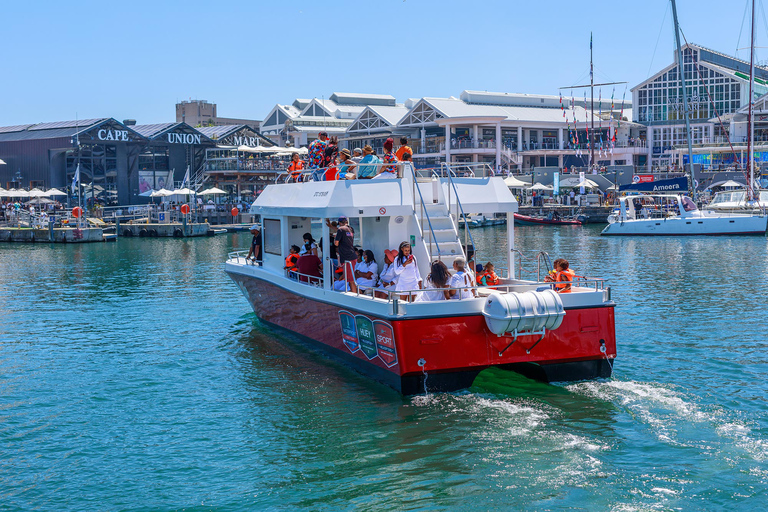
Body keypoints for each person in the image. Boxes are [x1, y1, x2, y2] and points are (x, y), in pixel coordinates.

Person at [334, 216, 358, 293]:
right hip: (351, 255)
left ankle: (354, 295)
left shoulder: (340, 229)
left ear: (340, 223)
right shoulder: (351, 229)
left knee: (350, 280)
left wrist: (335, 238)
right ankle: (353, 293)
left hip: (347, 257)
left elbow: (336, 243)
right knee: (349, 278)